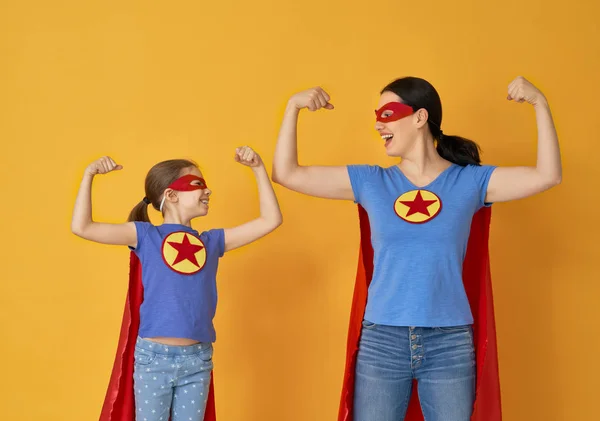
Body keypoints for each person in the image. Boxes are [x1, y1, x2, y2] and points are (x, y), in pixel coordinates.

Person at [272, 76, 561, 421]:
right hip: (382, 342)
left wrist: (540, 103)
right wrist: (293, 107)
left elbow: (548, 175)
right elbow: (286, 173)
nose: (379, 123)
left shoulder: (470, 181)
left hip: (449, 342)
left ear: (420, 118)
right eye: (376, 115)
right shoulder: (372, 181)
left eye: (389, 113)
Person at [71, 146, 282, 421]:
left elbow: (271, 220)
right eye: (198, 184)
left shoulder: (212, 241)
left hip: (197, 360)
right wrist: (89, 175)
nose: (208, 191)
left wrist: (258, 169)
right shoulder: (145, 235)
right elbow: (82, 226)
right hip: (153, 359)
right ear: (170, 195)